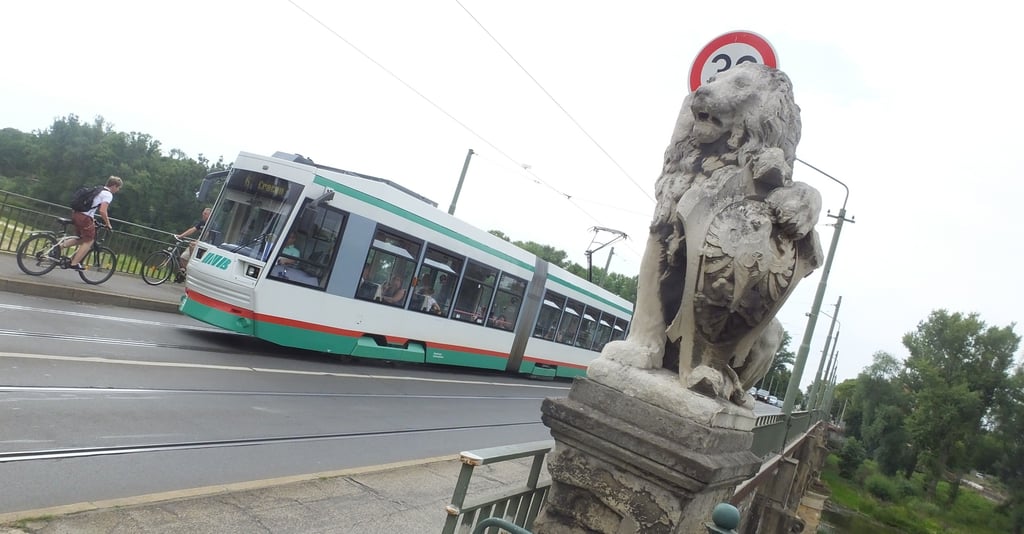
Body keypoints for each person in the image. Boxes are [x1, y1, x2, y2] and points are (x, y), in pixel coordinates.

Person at [63, 175, 122, 271]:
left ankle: (58, 248)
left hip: (76, 214)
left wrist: (93, 219)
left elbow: (91, 206)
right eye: (118, 187)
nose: (118, 190)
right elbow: (103, 211)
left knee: (82, 239)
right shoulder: (108, 195)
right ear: (114, 186)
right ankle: (74, 263)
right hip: (84, 218)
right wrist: (108, 224)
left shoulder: (98, 189)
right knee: (89, 241)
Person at [174, 207, 211, 272]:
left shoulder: (211, 223)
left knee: (192, 245)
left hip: (205, 245)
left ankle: (192, 265)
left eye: (205, 214)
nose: (203, 215)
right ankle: (187, 271)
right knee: (183, 258)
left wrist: (199, 241)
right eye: (203, 213)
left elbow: (207, 235)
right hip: (198, 243)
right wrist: (181, 236)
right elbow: (192, 230)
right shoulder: (202, 222)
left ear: (209, 215)